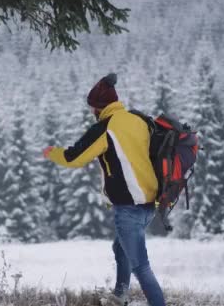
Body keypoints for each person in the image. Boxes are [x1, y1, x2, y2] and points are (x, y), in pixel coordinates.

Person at [43, 73, 165, 306]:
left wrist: (52, 153)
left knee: (141, 266)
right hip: (149, 202)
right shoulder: (137, 119)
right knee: (121, 248)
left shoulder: (105, 128)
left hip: (129, 206)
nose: (91, 112)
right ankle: (120, 295)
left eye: (92, 108)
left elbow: (74, 158)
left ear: (100, 107)